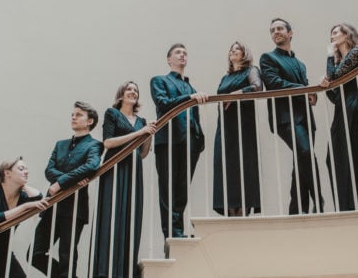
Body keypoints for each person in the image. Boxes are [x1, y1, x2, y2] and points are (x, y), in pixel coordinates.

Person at [30, 101, 101, 278]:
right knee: (34, 254)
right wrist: (69, 180)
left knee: (66, 257)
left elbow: (91, 166)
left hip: (74, 208)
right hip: (51, 206)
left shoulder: (94, 145)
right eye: (72, 114)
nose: (73, 117)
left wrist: (60, 183)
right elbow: (48, 170)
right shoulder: (60, 144)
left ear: (89, 121)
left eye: (79, 115)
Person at [260, 18, 324, 215]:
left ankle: (297, 209)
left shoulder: (300, 63)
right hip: (285, 118)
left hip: (306, 118)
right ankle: (319, 202)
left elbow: (303, 89)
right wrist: (306, 89)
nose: (276, 32)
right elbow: (275, 83)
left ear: (290, 33)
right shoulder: (268, 58)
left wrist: (311, 96)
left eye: (279, 28)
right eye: (272, 30)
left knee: (301, 161)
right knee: (305, 153)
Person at [93, 81, 156, 278]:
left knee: (131, 214)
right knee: (112, 213)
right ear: (121, 94)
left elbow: (143, 153)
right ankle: (106, 271)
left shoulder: (142, 120)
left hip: (134, 169)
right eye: (129, 89)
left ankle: (125, 271)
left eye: (136, 90)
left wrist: (149, 135)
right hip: (115, 167)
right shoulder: (112, 114)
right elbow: (108, 142)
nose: (133, 92)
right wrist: (140, 132)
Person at [150, 43, 207, 238]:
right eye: (178, 53)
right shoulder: (159, 80)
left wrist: (199, 139)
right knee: (168, 188)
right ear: (169, 59)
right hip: (169, 141)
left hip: (190, 141)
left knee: (182, 189)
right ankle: (171, 233)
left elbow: (195, 115)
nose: (182, 55)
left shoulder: (191, 86)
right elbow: (163, 104)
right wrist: (189, 97)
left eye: (185, 53)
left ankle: (178, 231)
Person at [319, 24, 358, 211]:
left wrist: (329, 56)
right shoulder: (339, 61)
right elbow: (335, 95)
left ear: (346, 34)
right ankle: (345, 204)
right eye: (330, 33)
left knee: (354, 155)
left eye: (335, 32)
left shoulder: (356, 52)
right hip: (343, 108)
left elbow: (335, 76)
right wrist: (326, 88)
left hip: (355, 105)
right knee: (333, 157)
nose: (332, 36)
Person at [213, 41, 263, 217]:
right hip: (225, 129)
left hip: (243, 127)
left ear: (244, 54)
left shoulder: (252, 70)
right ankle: (231, 215)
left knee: (244, 167)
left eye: (237, 49)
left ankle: (243, 216)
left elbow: (257, 87)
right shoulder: (225, 78)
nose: (232, 51)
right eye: (231, 49)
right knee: (226, 170)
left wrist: (235, 95)